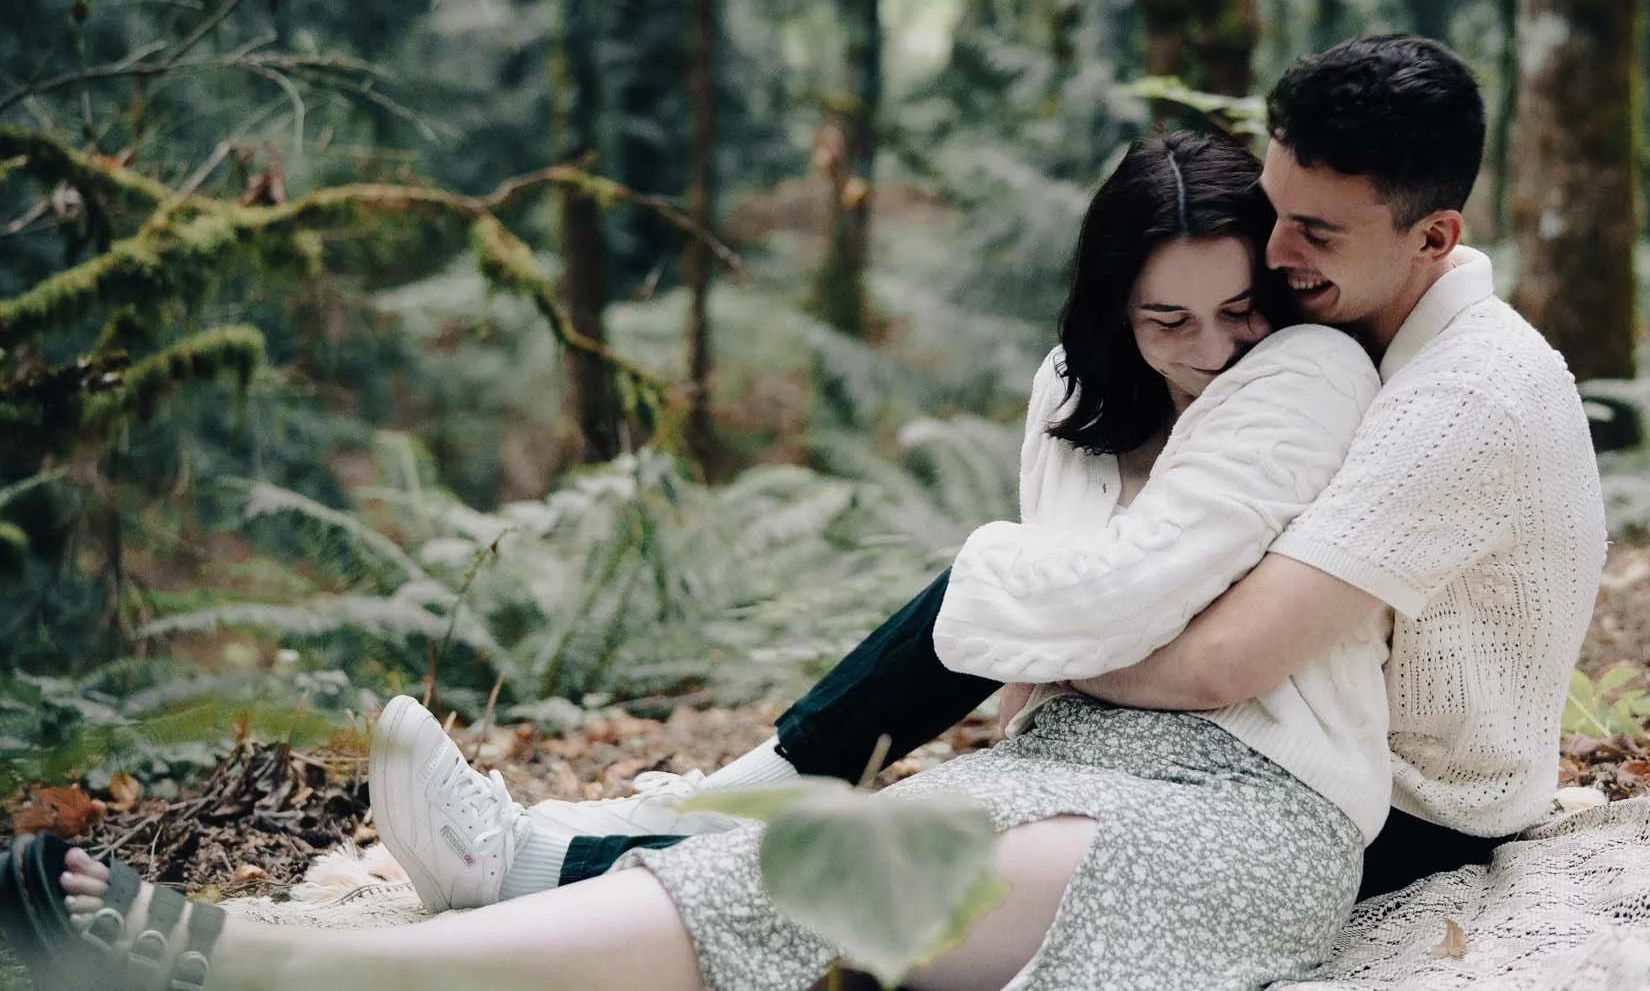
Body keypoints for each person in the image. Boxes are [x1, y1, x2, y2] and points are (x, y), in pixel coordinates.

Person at [13, 124, 1399, 991]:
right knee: (814, 858)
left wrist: (1003, 598)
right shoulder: (1074, 403)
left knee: (828, 878)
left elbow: (1110, 608)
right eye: (1168, 321)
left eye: (1238, 312)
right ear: (1111, 311)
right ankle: (514, 871)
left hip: (1248, 814)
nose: (1212, 352)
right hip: (1069, 763)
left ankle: (266, 964)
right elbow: (1068, 641)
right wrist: (1047, 643)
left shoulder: (1306, 377)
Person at [377, 33, 1606, 905]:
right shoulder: (1347, 324)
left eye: (1314, 231)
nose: (1275, 256)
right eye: (1275, 210)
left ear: (1434, 234)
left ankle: (575, 860)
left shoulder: (1461, 394)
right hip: (1285, 744)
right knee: (1007, 648)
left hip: (1404, 812)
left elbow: (1223, 662)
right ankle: (639, 830)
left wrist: (1027, 638)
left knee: (949, 767)